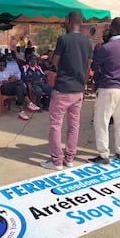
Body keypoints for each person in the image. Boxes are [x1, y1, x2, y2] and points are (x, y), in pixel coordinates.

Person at [40, 11, 92, 170]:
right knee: (73, 125)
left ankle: (56, 161)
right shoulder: (87, 42)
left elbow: (55, 61)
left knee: (56, 125)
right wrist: (83, 85)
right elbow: (88, 66)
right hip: (78, 90)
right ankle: (69, 159)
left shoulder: (63, 39)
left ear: (69, 21)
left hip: (63, 89)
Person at [87, 18, 120, 165]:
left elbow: (94, 66)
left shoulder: (106, 48)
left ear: (112, 29)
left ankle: (104, 154)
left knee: (101, 122)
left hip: (108, 88)